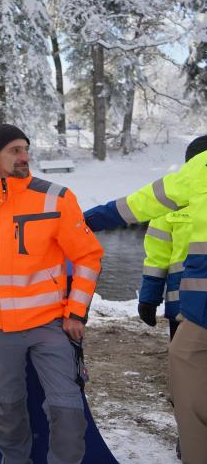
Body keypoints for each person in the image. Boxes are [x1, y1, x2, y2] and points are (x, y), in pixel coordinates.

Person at [0, 124, 104, 464]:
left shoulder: (57, 198)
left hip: (49, 325)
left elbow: (88, 257)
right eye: (15, 150)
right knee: (9, 409)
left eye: (25, 148)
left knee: (67, 408)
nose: (24, 156)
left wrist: (76, 312)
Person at [84, 134, 207, 464]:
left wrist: (81, 220)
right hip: (187, 304)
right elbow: (157, 254)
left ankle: (195, 447)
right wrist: (150, 298)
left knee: (186, 371)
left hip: (197, 307)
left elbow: (132, 207)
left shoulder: (195, 175)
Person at [137, 139, 206, 340]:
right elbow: (157, 257)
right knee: (185, 363)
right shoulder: (169, 199)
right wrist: (148, 298)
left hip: (183, 302)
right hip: (183, 306)